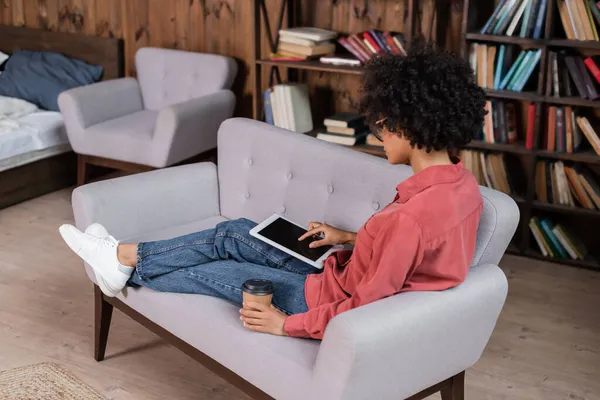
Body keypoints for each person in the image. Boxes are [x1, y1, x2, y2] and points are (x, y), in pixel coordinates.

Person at [59, 41, 486, 340]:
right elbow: (415, 257)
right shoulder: (463, 188)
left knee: (192, 273)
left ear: (410, 128)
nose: (378, 132)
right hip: (335, 271)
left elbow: (365, 314)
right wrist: (351, 239)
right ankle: (119, 255)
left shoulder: (408, 219)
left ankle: (120, 267)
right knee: (232, 233)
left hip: (313, 300)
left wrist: (286, 325)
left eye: (384, 123)